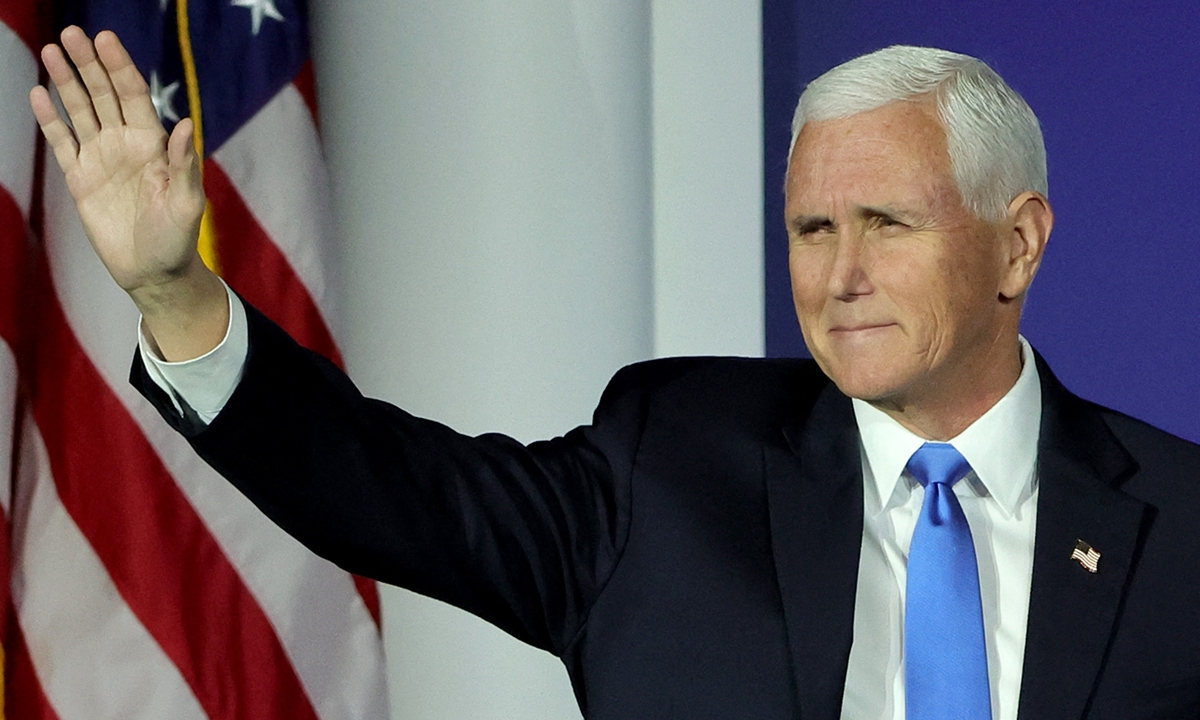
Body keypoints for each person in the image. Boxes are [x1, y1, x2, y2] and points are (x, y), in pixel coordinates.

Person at [31, 26, 1200, 720]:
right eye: (808, 229)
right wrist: (174, 293)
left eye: (887, 222)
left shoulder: (1183, 528)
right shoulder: (672, 464)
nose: (838, 275)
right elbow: (391, 489)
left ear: (1019, 241)